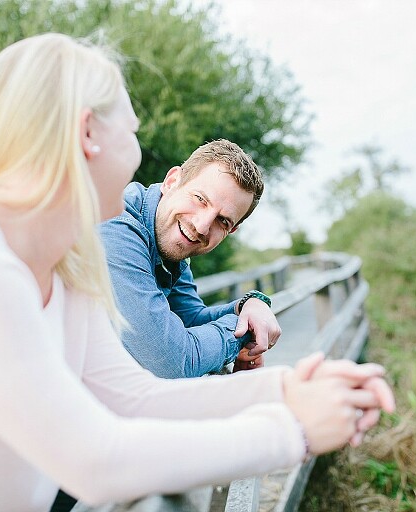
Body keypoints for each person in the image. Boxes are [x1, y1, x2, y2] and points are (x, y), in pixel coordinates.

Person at [0, 33, 394, 512]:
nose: (140, 155)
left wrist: (283, 390)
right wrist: (293, 431)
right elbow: (93, 459)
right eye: (132, 129)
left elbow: (134, 400)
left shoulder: (69, 265)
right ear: (87, 133)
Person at [100, 140, 281, 378]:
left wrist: (250, 305)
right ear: (172, 181)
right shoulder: (116, 227)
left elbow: (191, 319)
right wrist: (243, 332)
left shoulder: (171, 240)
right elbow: (170, 361)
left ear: (231, 230)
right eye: (200, 199)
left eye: (222, 221)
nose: (202, 226)